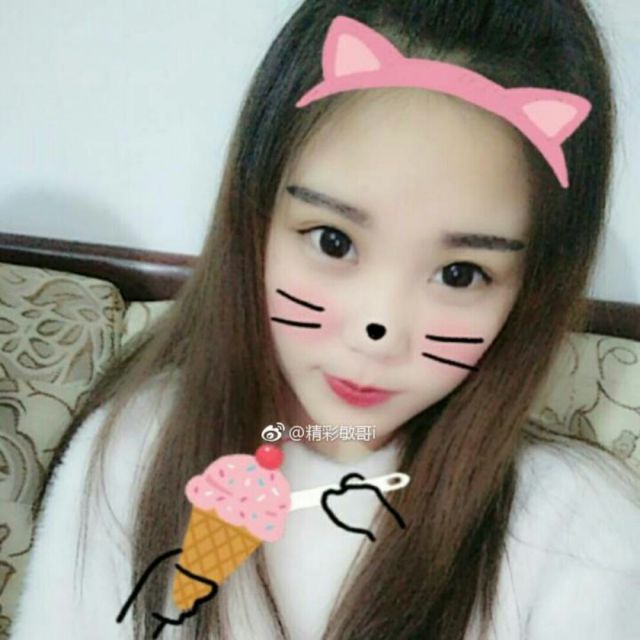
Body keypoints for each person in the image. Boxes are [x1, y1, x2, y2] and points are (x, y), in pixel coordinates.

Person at [11, 2, 640, 639]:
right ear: (256, 219)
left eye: (460, 274)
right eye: (333, 242)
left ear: (531, 290)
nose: (379, 329)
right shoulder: (139, 446)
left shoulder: (577, 534)